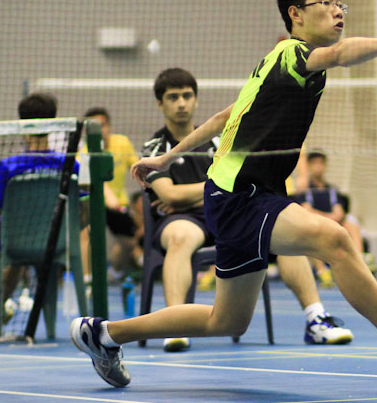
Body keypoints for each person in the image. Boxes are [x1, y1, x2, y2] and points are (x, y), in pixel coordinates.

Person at [71, 0, 377, 392]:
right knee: (335, 240)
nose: (338, 11)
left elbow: (230, 114)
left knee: (224, 319)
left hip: (236, 193)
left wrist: (169, 156)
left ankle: (104, 334)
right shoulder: (293, 54)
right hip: (240, 194)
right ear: (296, 14)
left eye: (342, 4)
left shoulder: (276, 64)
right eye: (326, 3)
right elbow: (338, 55)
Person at [141, 67, 353, 352]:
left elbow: (214, 188)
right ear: (160, 103)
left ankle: (316, 319)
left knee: (286, 233)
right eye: (173, 97)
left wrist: (191, 194)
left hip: (228, 214)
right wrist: (210, 189)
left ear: (196, 100)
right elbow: (169, 196)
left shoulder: (219, 140)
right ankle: (177, 326)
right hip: (183, 220)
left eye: (187, 96)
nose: (181, 103)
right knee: (182, 235)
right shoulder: (155, 147)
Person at [0, 93, 79, 332]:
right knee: (16, 258)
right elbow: (82, 213)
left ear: (22, 124)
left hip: (13, 242)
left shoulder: (8, 166)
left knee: (2, 247)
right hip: (58, 242)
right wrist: (69, 234)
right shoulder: (70, 164)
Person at [81, 107, 141, 281]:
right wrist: (108, 197)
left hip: (118, 204)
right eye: (94, 127)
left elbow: (137, 166)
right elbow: (97, 183)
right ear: (86, 131)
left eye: (103, 125)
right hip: (93, 204)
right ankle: (87, 279)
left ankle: (115, 270)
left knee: (130, 242)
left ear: (109, 126)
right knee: (86, 232)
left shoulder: (122, 143)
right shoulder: (83, 154)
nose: (100, 130)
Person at [293, 149, 365, 288]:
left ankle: (358, 265)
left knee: (352, 225)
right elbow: (306, 211)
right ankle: (323, 272)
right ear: (307, 167)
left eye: (321, 163)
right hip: (315, 226)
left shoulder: (332, 190)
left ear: (325, 166)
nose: (318, 167)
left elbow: (339, 212)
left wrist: (329, 218)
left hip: (332, 224)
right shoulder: (304, 191)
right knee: (309, 231)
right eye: (314, 164)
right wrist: (328, 218)